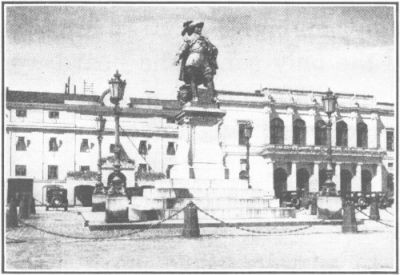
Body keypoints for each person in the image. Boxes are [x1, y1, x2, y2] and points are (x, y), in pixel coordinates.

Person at [175, 21, 218, 104]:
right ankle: (195, 97)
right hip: (193, 59)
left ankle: (212, 97)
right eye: (197, 27)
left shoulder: (205, 38)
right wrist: (177, 58)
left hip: (204, 60)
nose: (199, 29)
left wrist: (212, 51)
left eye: (200, 27)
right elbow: (183, 48)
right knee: (193, 78)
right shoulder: (190, 38)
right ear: (193, 28)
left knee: (209, 77)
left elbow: (213, 48)